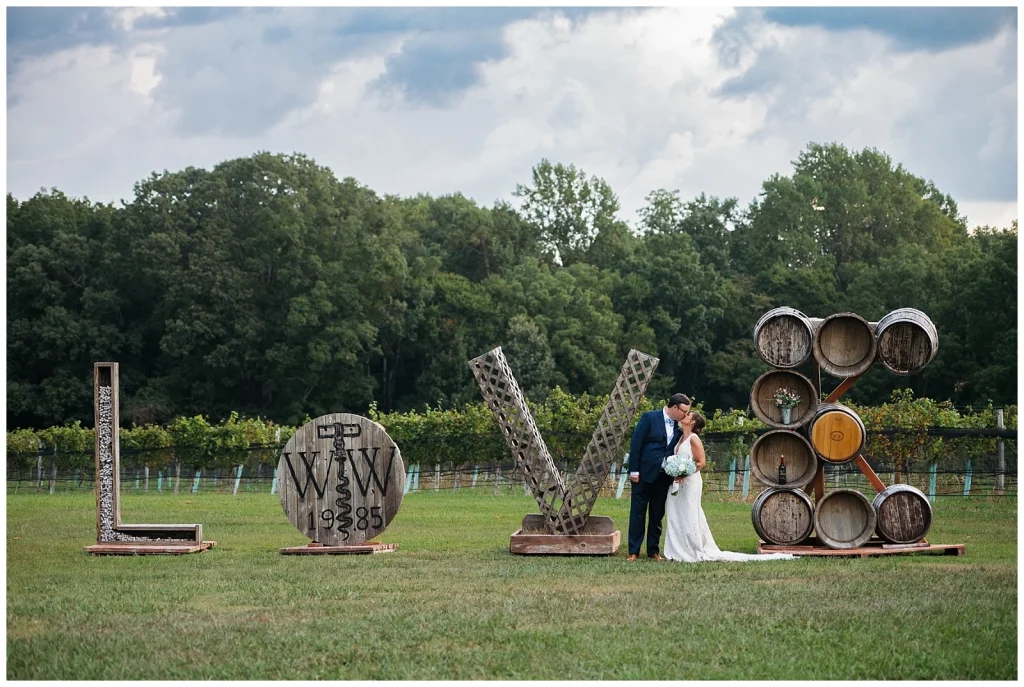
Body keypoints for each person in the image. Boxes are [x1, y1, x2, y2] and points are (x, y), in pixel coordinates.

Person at [663, 410, 798, 562]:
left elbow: (701, 462)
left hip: (690, 482)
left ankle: (694, 548)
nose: (684, 416)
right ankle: (678, 548)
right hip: (677, 483)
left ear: (692, 422)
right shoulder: (681, 437)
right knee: (676, 513)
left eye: (687, 415)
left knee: (690, 512)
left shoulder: (694, 439)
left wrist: (685, 473)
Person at [626, 393, 691, 561]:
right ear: (675, 407)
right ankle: (633, 550)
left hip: (663, 477)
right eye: (684, 411)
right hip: (643, 475)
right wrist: (634, 470)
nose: (685, 415)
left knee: (657, 515)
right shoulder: (650, 417)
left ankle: (653, 550)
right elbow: (636, 443)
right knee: (637, 513)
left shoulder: (678, 429)